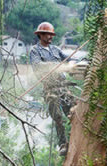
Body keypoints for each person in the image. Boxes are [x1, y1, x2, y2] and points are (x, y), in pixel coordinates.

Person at [29, 22, 76, 156]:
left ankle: (74, 139)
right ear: (41, 35)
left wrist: (73, 63)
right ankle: (63, 144)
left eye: (51, 34)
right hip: (50, 88)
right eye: (47, 34)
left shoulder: (55, 49)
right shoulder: (35, 51)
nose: (50, 37)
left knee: (73, 111)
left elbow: (68, 59)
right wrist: (54, 65)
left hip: (62, 86)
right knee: (57, 117)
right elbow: (37, 66)